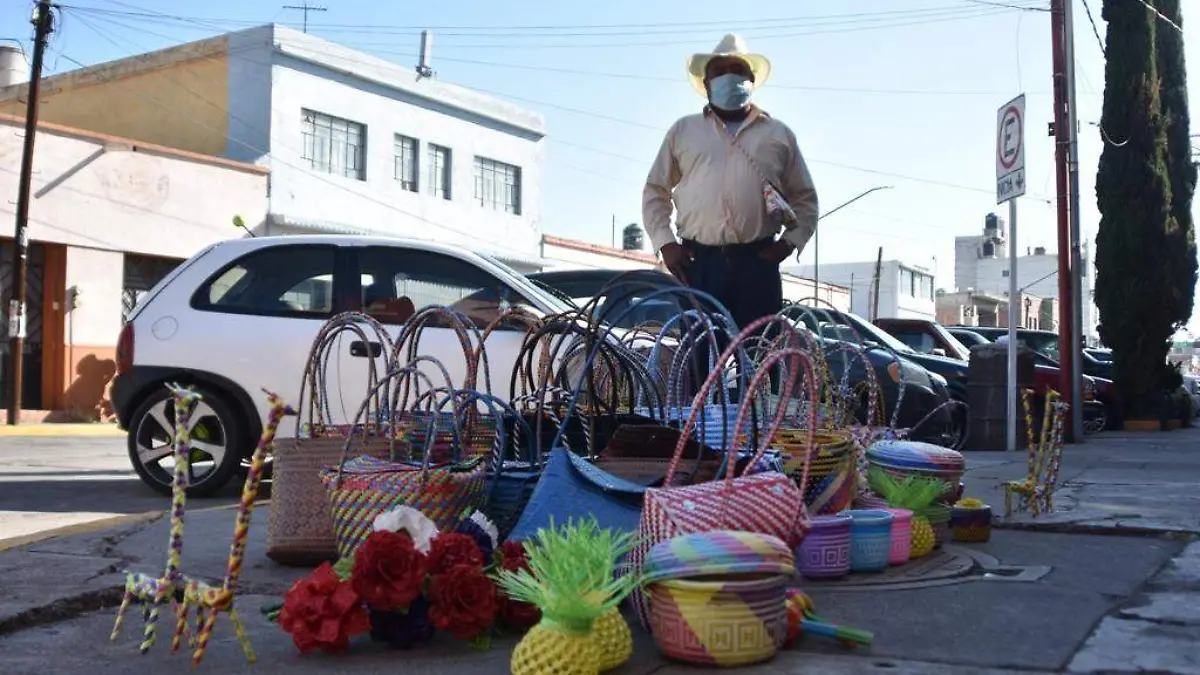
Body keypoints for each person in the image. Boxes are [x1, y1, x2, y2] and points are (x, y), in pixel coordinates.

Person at [643, 33, 819, 333]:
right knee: (702, 354)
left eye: (737, 70)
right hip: (699, 265)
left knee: (759, 353)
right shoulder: (683, 131)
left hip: (758, 264)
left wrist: (789, 243)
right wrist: (666, 243)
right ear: (706, 83)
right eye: (720, 71)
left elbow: (805, 199)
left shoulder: (778, 134)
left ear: (751, 80)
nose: (729, 77)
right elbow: (655, 191)